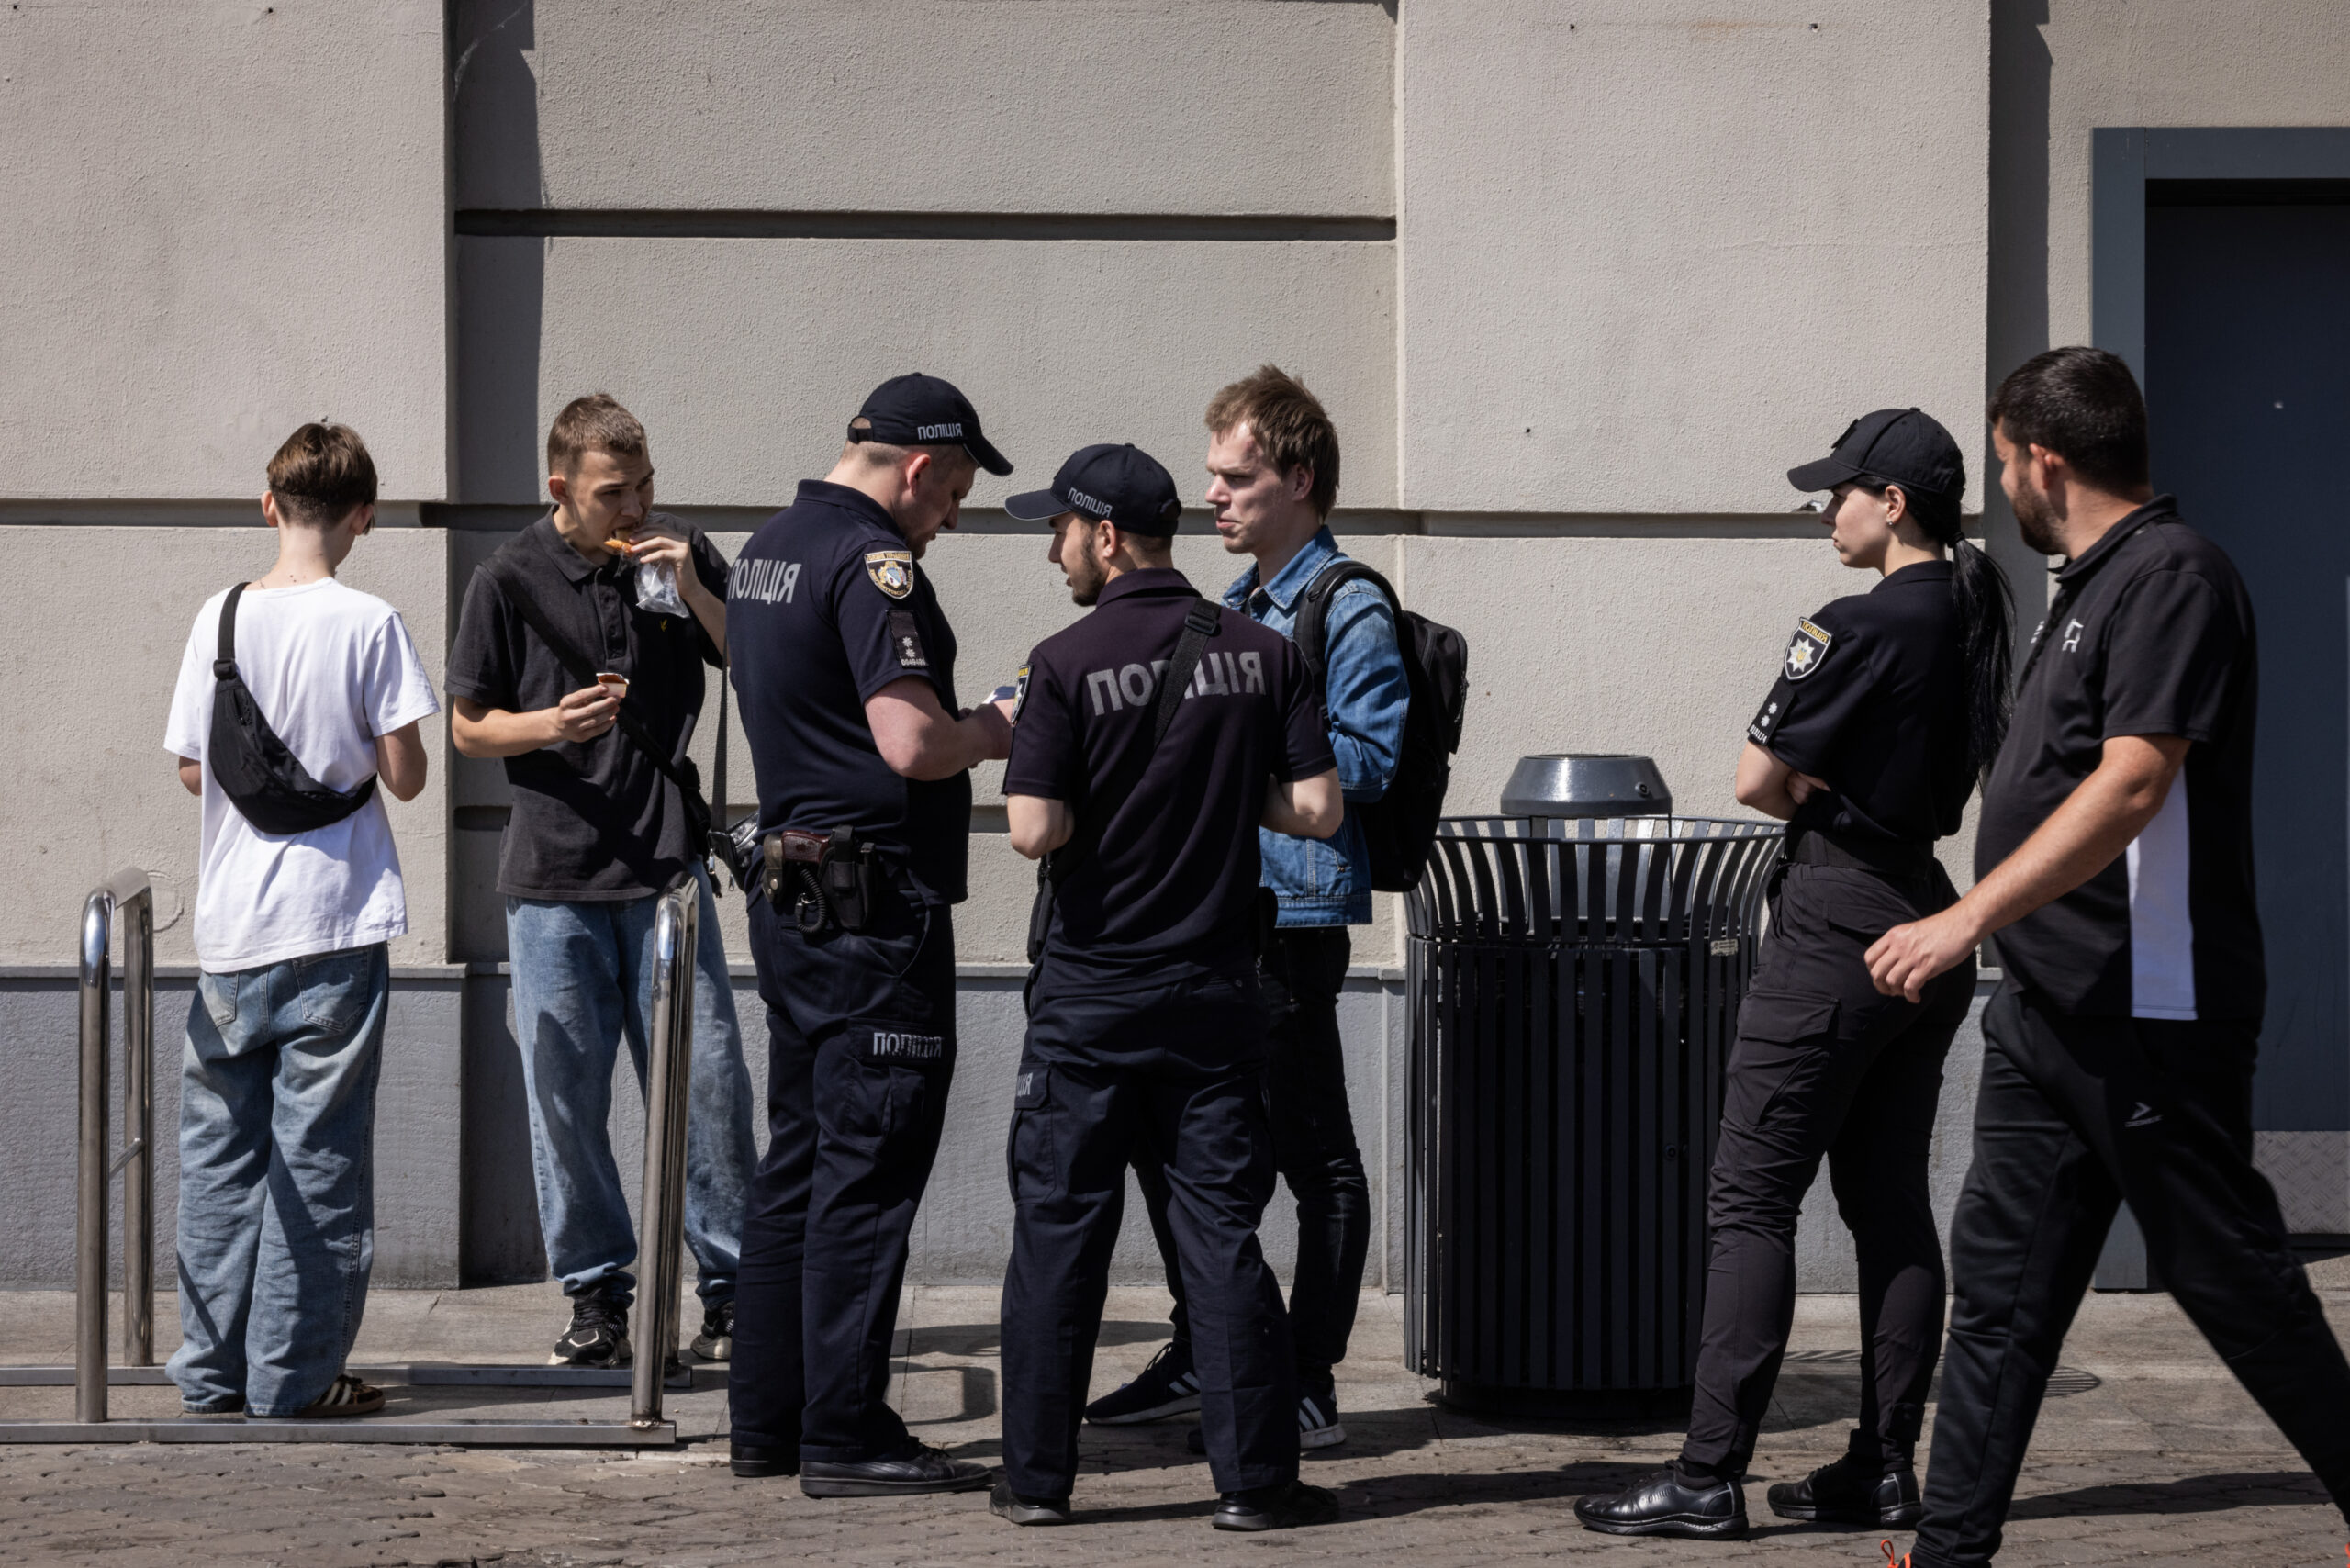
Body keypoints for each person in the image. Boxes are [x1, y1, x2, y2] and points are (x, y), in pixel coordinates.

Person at [1865, 347, 2350, 1567]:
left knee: (2226, 1272)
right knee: (2003, 1293)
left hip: (2148, 1009)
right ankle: (1953, 1547)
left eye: (2000, 463)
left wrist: (1964, 916)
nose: (1998, 491)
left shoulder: (2174, 577)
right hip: (2049, 1005)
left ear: (2042, 457)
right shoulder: (2090, 586)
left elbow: (2134, 782)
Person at [1574, 408, 2013, 1540]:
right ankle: (1879, 1465)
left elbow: (1755, 778)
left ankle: (1708, 1472)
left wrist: (1807, 791)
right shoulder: (1976, 612)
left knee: (1749, 1198)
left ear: (1894, 502)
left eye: (1842, 491)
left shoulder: (1856, 619)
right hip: (1922, 908)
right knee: (1887, 1205)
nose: (1828, 510)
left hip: (1834, 921)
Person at [990, 442, 1345, 1531]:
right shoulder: (1260, 653)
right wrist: (1226, 790)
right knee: (1220, 1236)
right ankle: (1256, 1484)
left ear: (1105, 535)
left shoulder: (1059, 661)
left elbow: (1033, 831)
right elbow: (1318, 810)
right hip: (1212, 998)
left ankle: (1039, 1485)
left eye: (1059, 530)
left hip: (1091, 1002)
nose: (1054, 551)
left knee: (1060, 1237)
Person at [1089, 365, 1406, 1452]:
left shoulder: (1345, 600)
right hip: (1220, 911)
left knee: (1317, 1153)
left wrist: (1236, 780)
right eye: (1213, 477)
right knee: (1176, 1142)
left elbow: (1365, 761)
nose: (1212, 495)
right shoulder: (1234, 606)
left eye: (1236, 476)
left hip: (1295, 917)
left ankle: (1306, 1378)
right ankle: (1210, 1348)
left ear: (1298, 478)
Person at [723, 374, 1014, 1497]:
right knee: (867, 1169)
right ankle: (844, 1432)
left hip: (797, 902)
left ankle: (770, 1421)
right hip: (870, 914)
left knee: (794, 1162)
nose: (948, 519)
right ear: (917, 468)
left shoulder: (767, 548)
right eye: (951, 495)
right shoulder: (869, 563)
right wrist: (995, 725)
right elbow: (909, 742)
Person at [445, 393, 757, 1369]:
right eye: (613, 492)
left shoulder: (681, 552)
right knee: (566, 1100)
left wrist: (696, 588)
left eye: (645, 485)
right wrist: (552, 726)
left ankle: (735, 1290)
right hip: (554, 878)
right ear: (561, 488)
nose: (634, 507)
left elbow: (752, 659)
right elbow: (466, 724)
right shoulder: (506, 577)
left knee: (710, 1085)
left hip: (666, 869)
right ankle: (596, 1297)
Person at [163, 422, 438, 1419]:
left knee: (220, 1156)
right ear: (361, 514)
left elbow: (196, 767)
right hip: (336, 921)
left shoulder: (219, 618)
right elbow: (406, 778)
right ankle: (293, 1377)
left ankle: (207, 1371)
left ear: (268, 503)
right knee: (316, 1160)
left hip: (234, 929)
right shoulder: (371, 621)